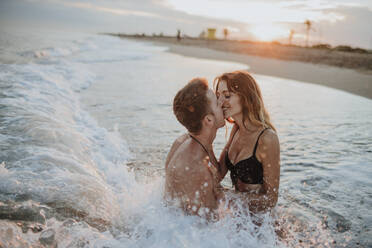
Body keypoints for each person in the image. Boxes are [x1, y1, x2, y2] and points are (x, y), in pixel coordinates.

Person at [215, 71, 280, 213]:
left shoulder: (267, 138)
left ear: (245, 98)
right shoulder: (236, 129)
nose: (220, 102)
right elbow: (218, 174)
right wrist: (203, 139)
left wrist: (231, 196)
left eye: (227, 96)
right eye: (218, 96)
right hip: (241, 218)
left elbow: (271, 200)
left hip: (261, 225)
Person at [164, 78, 226, 220]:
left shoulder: (184, 140)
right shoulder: (197, 166)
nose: (222, 101)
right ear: (208, 120)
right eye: (217, 101)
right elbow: (212, 224)